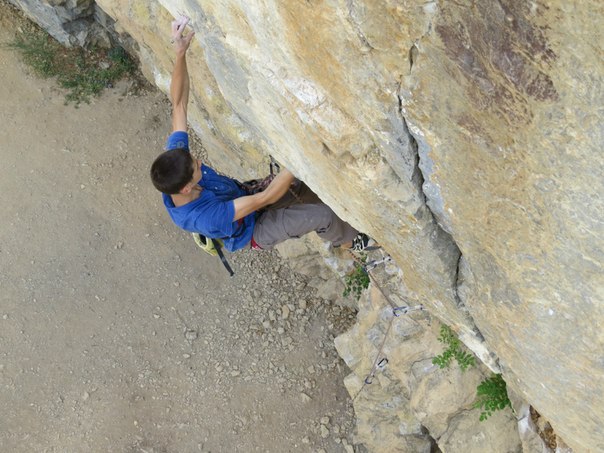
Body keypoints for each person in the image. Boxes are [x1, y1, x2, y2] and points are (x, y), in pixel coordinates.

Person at [150, 16, 372, 254]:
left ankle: (336, 217)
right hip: (254, 230)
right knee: (321, 215)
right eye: (196, 167)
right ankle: (352, 242)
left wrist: (180, 53)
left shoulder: (177, 166)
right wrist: (300, 156)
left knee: (302, 187)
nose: (200, 163)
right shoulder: (206, 218)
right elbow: (264, 198)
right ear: (185, 189)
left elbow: (179, 105)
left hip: (245, 196)